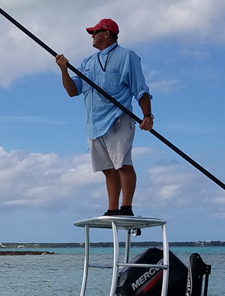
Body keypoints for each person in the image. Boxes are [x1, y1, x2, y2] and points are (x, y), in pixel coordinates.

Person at [56, 18, 153, 217]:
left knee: (123, 164)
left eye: (95, 32)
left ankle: (126, 208)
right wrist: (64, 70)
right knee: (108, 169)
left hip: (118, 118)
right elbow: (73, 91)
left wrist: (147, 115)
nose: (92, 36)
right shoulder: (87, 62)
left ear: (107, 33)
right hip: (94, 123)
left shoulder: (127, 56)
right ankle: (112, 209)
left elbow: (140, 88)